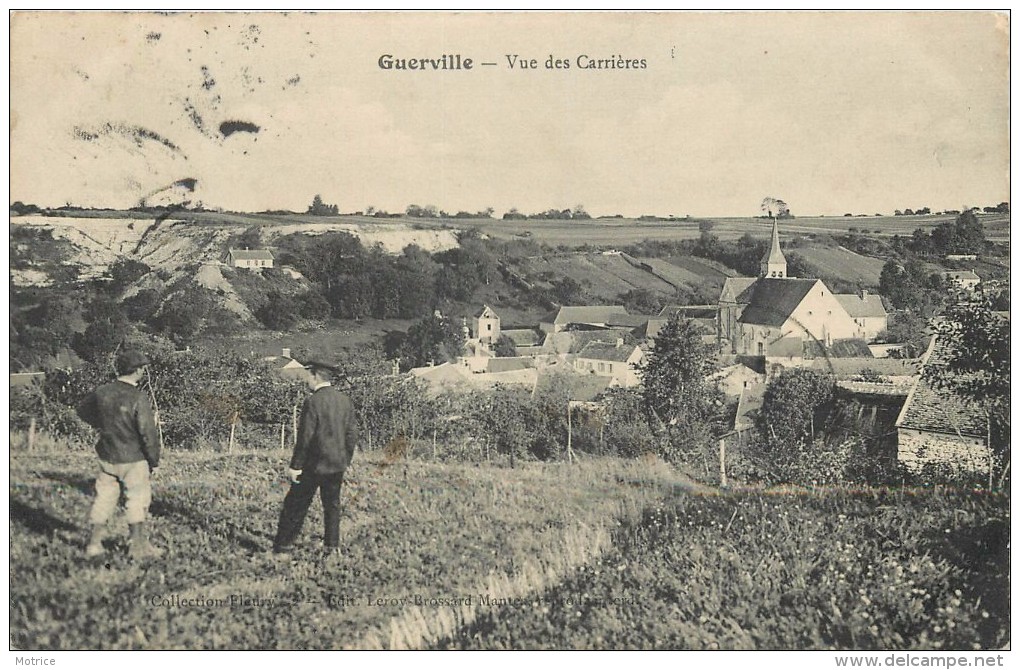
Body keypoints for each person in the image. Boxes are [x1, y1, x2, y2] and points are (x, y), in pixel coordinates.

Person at [76, 350, 162, 560]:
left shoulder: (102, 392)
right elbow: (147, 432)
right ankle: (137, 547)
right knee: (137, 500)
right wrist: (153, 460)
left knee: (103, 499)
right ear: (138, 370)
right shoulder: (138, 397)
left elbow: (82, 411)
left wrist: (103, 425)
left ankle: (94, 545)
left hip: (108, 455)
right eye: (143, 368)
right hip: (134, 458)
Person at [272, 360, 359, 559]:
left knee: (295, 504)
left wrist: (295, 466)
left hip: (313, 466)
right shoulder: (345, 401)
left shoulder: (312, 402)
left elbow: (305, 438)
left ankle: (284, 547)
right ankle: (331, 548)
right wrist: (345, 459)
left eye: (309, 377)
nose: (307, 381)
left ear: (316, 376)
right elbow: (352, 435)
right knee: (332, 506)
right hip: (336, 465)